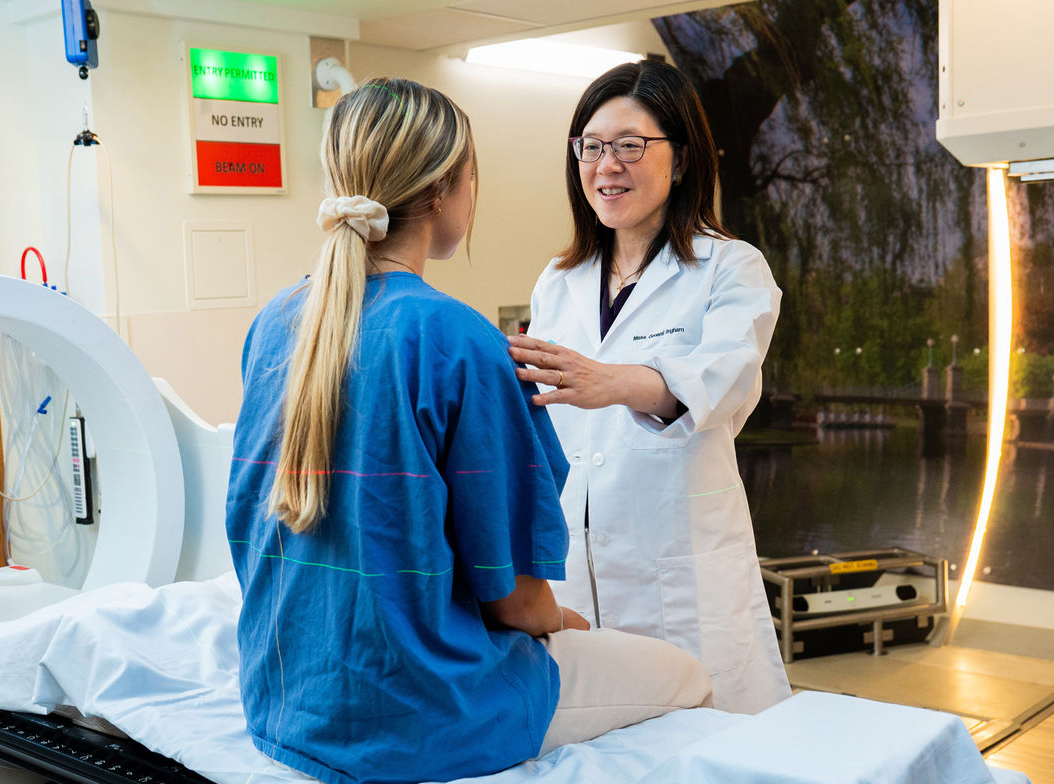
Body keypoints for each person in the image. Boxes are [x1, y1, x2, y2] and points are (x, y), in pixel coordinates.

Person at [225, 77, 712, 784]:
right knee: (686, 677)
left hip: (286, 700)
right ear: (443, 191)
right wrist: (558, 621)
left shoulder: (277, 321)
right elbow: (513, 598)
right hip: (421, 715)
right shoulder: (455, 339)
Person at [507, 60, 792, 715]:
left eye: (631, 145)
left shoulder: (730, 268)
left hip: (682, 573)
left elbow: (720, 384)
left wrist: (613, 383)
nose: (608, 164)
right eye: (592, 146)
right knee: (606, 744)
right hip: (580, 565)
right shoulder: (560, 278)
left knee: (710, 745)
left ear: (683, 158)